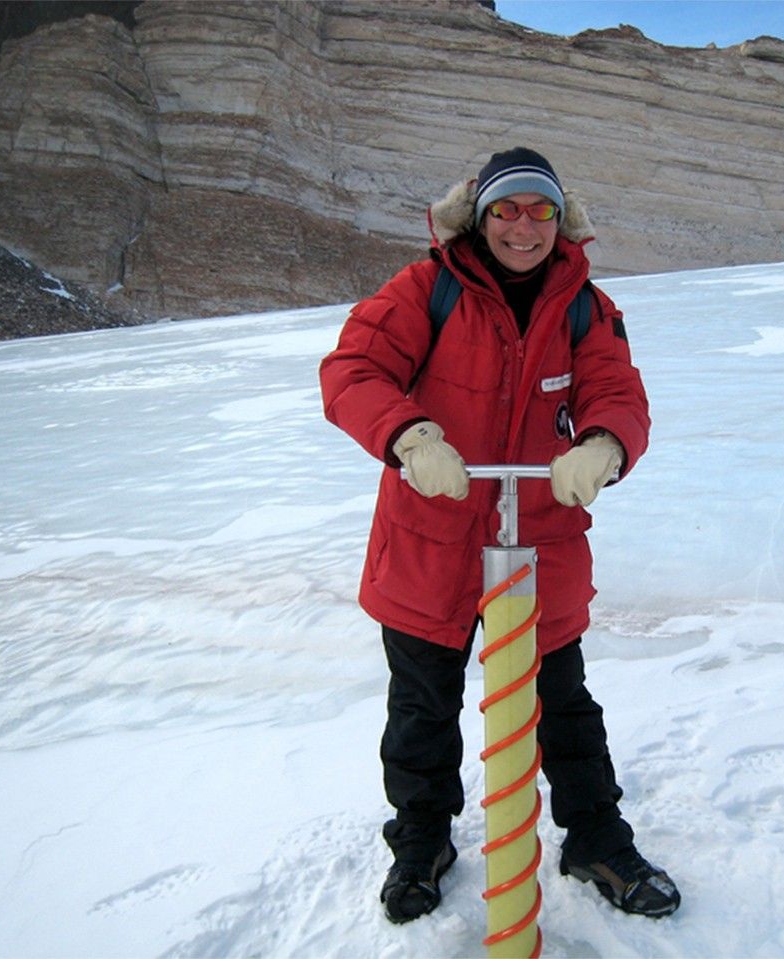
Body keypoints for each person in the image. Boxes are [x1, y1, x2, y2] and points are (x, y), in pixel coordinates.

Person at [319, 147, 680, 925]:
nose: (525, 226)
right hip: (430, 538)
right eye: (508, 209)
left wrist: (604, 446)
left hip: (540, 540)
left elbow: (618, 390)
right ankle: (421, 842)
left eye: (541, 210)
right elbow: (354, 368)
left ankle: (595, 838)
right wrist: (411, 437)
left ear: (561, 219)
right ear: (480, 216)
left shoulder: (586, 306)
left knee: (563, 702)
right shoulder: (427, 290)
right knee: (421, 706)